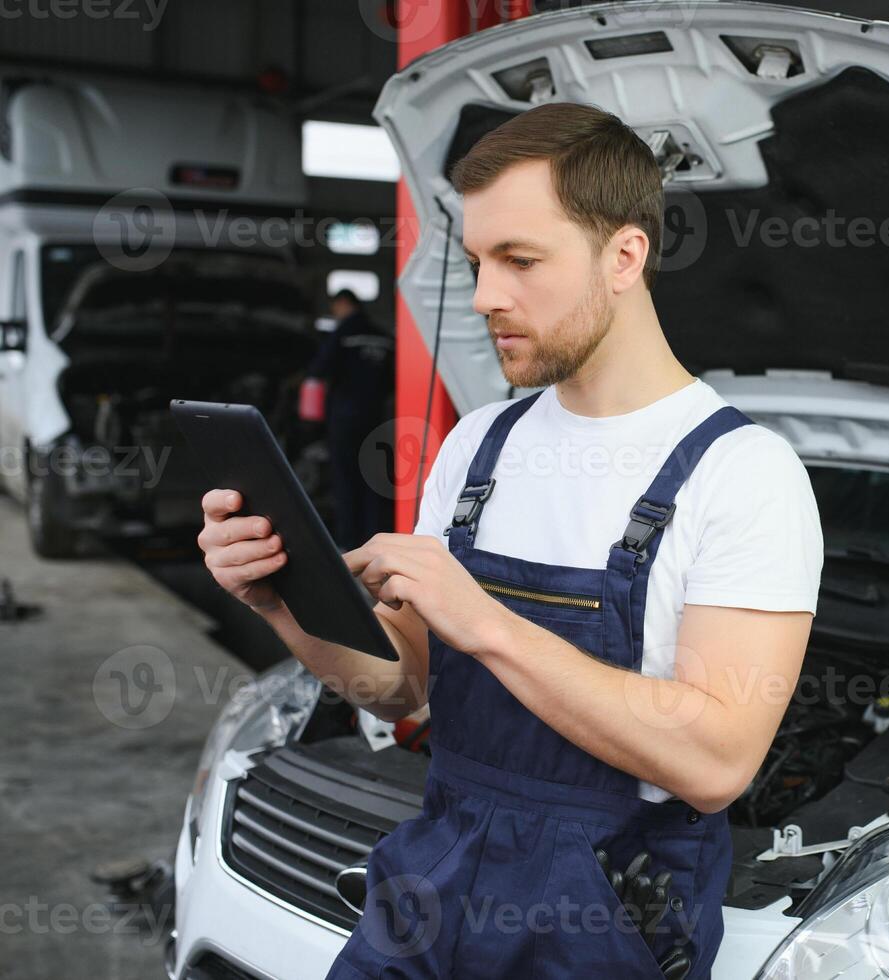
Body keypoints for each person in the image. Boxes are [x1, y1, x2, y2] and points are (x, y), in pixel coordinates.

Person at [194, 101, 822, 978]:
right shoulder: (479, 444)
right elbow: (397, 686)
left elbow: (714, 762)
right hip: (435, 870)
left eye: (521, 261)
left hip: (604, 912)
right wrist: (285, 603)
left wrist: (481, 620)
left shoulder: (742, 474)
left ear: (625, 256)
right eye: (479, 262)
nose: (488, 295)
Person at [306, 288, 394, 549]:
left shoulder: (342, 333)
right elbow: (394, 379)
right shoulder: (383, 336)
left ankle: (347, 542)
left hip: (345, 420)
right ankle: (374, 541)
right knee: (373, 480)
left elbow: (318, 370)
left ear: (343, 304)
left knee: (345, 480)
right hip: (376, 419)